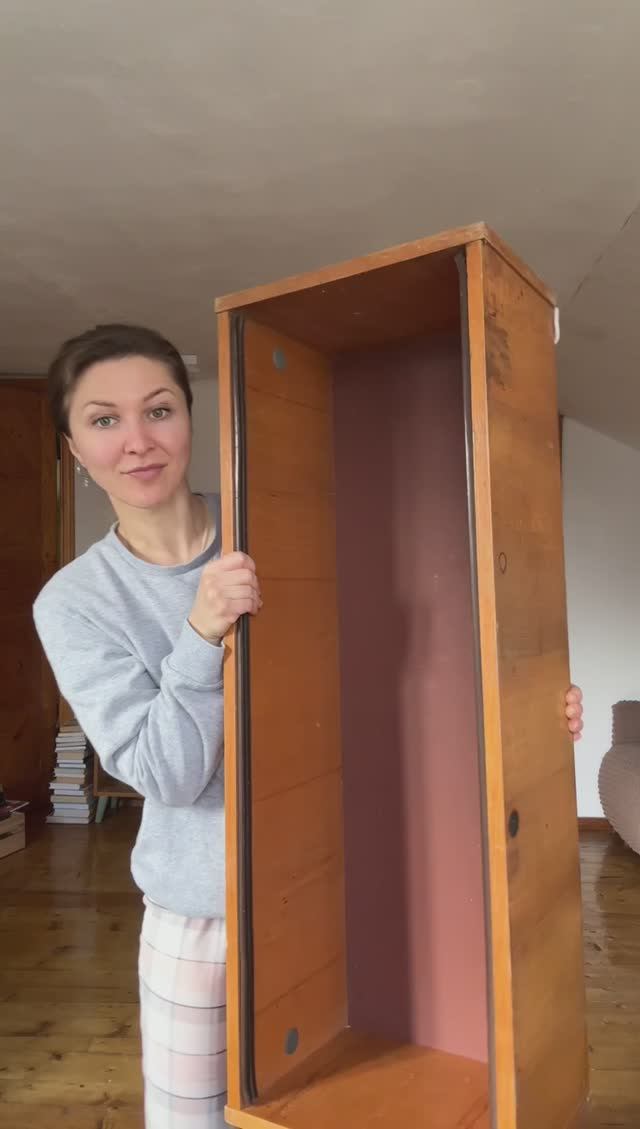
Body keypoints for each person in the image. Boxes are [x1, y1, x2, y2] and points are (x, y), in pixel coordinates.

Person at [32, 322, 584, 1128]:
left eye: (159, 409)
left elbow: (391, 672)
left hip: (343, 888)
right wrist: (201, 633)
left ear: (190, 419)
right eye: (104, 419)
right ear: (75, 450)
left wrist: (531, 708)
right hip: (201, 917)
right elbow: (167, 774)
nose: (138, 439)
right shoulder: (74, 602)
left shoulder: (278, 522)